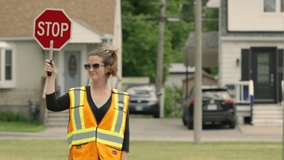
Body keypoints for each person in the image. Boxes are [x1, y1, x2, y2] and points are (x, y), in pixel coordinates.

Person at [44, 44, 130, 160]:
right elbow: (52, 105)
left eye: (95, 66)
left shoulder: (121, 99)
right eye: (87, 66)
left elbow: (125, 135)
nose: (91, 70)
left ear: (107, 68)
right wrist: (51, 77)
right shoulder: (76, 95)